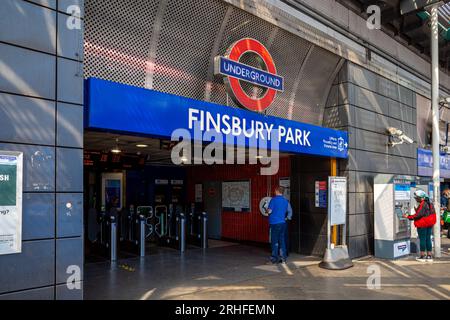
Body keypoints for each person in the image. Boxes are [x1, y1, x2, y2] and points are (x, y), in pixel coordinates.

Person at [403, 190, 437, 262]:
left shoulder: (423, 204)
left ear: (421, 197)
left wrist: (408, 216)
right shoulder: (430, 203)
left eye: (417, 198)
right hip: (429, 223)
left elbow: (418, 215)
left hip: (422, 224)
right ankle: (429, 256)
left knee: (422, 239)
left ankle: (422, 256)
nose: (416, 199)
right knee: (428, 239)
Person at [266, 186, 292, 264]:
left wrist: (267, 210)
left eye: (275, 190)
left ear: (277, 191)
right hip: (283, 223)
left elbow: (269, 211)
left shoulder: (273, 200)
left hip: (274, 223)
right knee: (282, 240)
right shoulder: (286, 201)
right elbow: (290, 211)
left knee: (274, 241)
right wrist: (287, 218)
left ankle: (274, 259)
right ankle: (283, 258)